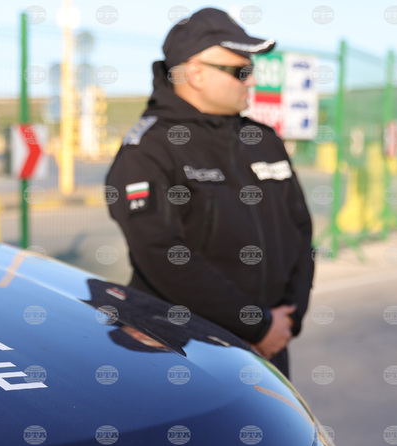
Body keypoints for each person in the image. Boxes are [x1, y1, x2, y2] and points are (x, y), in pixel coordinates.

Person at [104, 7, 314, 378]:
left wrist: (285, 322)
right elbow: (162, 253)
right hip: (186, 351)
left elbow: (300, 231)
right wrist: (256, 325)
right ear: (195, 73)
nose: (252, 81)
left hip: (270, 345)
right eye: (241, 72)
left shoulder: (263, 140)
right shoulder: (150, 149)